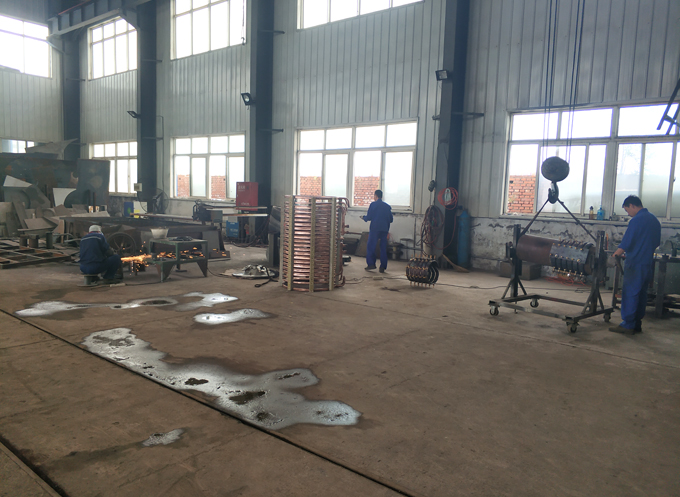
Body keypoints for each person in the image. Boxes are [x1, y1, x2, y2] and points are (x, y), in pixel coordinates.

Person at [609, 196, 661, 334]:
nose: (628, 214)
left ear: (632, 205)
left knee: (630, 293)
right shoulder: (654, 220)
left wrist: (615, 256)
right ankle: (637, 323)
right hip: (647, 263)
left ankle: (628, 324)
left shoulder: (636, 220)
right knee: (641, 294)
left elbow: (626, 243)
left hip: (635, 264)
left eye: (627, 210)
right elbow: (656, 242)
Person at [361, 189, 393, 273]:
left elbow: (369, 217)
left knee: (371, 246)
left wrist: (363, 217)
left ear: (375, 196)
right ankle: (382, 267)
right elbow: (391, 219)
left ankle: (371, 264)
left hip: (375, 229)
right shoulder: (387, 206)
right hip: (384, 229)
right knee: (383, 248)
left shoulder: (373, 205)